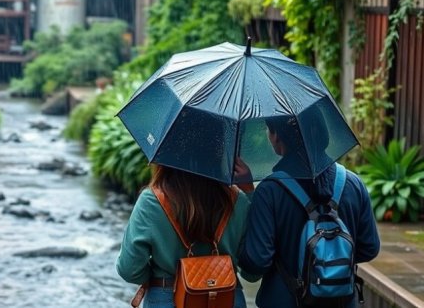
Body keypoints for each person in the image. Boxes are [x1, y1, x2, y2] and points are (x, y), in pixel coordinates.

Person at [238, 110, 381, 308]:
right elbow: (369, 249)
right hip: (342, 302)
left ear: (277, 136)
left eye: (268, 130)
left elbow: (256, 261)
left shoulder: (269, 191)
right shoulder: (353, 183)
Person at [117, 164, 259, 308]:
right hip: (227, 298)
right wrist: (250, 193)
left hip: (166, 298)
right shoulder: (238, 201)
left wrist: (156, 277)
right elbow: (253, 273)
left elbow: (129, 270)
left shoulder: (151, 201)